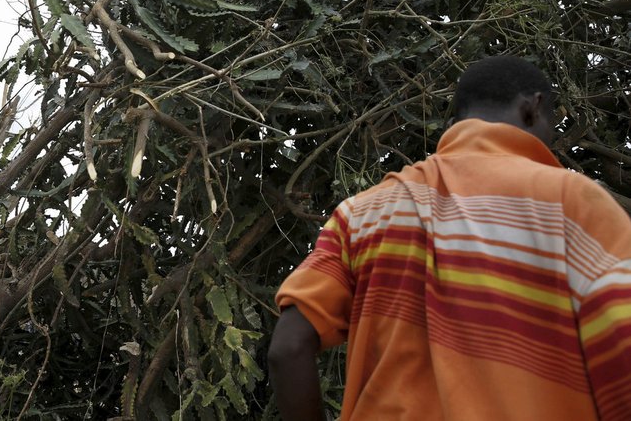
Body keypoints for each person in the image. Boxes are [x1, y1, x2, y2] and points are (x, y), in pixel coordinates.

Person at [268, 56, 631, 420]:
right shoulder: (573, 206)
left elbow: (287, 348)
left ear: (455, 124)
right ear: (532, 109)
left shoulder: (362, 214)